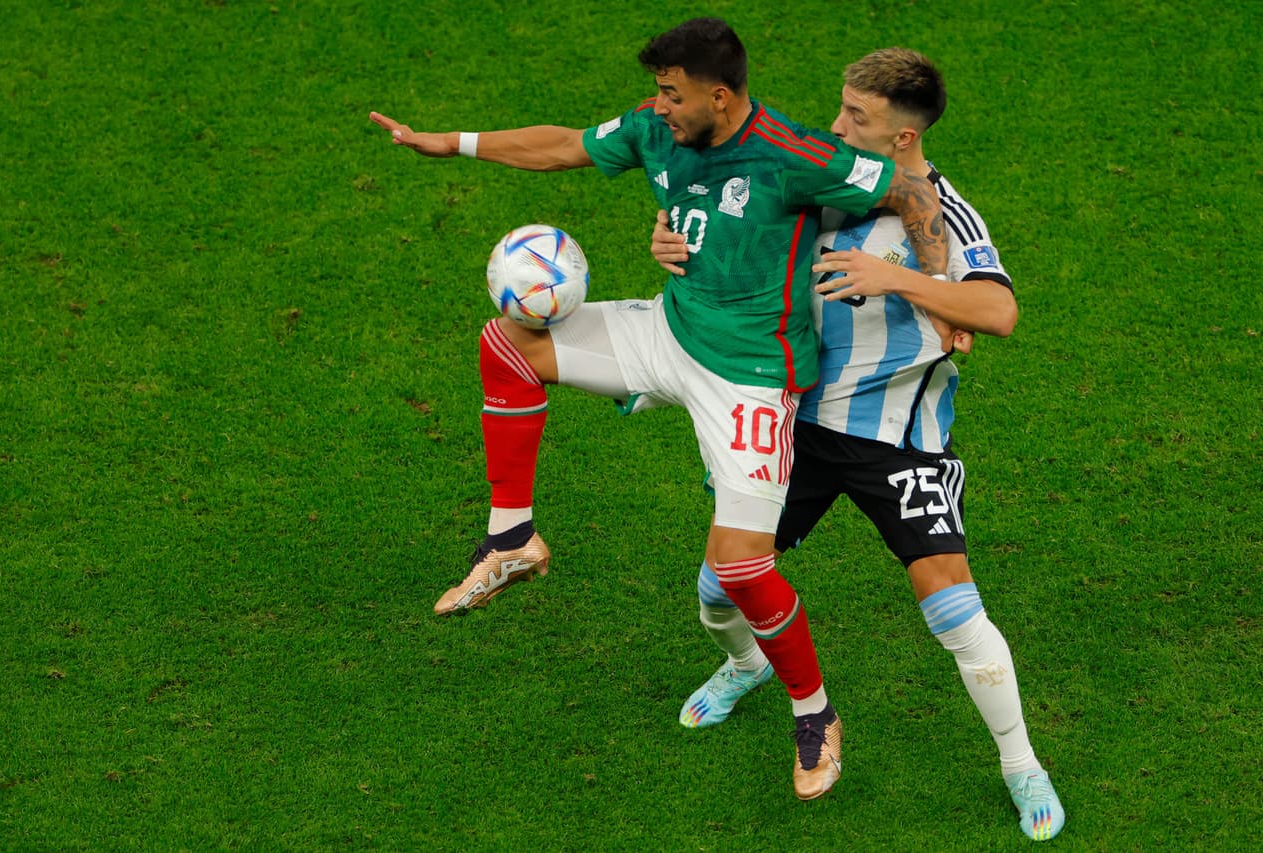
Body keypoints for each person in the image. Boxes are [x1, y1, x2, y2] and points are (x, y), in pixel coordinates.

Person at [369, 18, 948, 801]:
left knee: (741, 568)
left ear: (720, 96)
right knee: (508, 343)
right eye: (658, 92)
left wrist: (937, 294)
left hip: (751, 378)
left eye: (673, 95)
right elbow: (564, 145)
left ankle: (815, 713)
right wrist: (450, 143)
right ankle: (512, 539)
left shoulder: (793, 154)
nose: (659, 107)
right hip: (667, 333)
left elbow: (911, 190)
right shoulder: (657, 128)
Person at [650, 48, 1065, 841]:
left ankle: (1021, 765)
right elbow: (730, 244)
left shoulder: (947, 214)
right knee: (720, 584)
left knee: (955, 611)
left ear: (903, 137)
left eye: (857, 117)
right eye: (840, 107)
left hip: (897, 443)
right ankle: (746, 664)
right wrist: (674, 245)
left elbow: (997, 312)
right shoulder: (820, 182)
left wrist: (895, 277)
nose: (836, 126)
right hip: (795, 428)